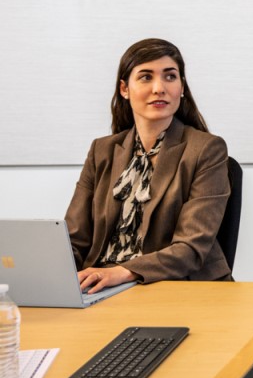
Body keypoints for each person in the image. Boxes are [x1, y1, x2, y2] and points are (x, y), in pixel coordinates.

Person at [66, 38, 232, 292]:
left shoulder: (206, 150)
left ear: (182, 87)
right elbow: (74, 240)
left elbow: (191, 247)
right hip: (103, 288)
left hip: (174, 285)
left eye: (170, 77)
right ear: (124, 89)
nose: (159, 88)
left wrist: (122, 273)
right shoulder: (102, 151)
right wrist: (51, 273)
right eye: (145, 77)